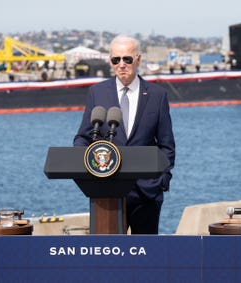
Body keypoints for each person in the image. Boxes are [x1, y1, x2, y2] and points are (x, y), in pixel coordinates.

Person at [74, 35, 176, 234]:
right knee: (109, 257)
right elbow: (82, 138)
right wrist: (88, 168)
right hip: (106, 192)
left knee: (146, 257)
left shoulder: (157, 95)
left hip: (146, 194)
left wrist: (162, 180)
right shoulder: (97, 92)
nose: (121, 65)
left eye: (127, 59)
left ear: (138, 59)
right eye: (116, 60)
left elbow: (167, 145)